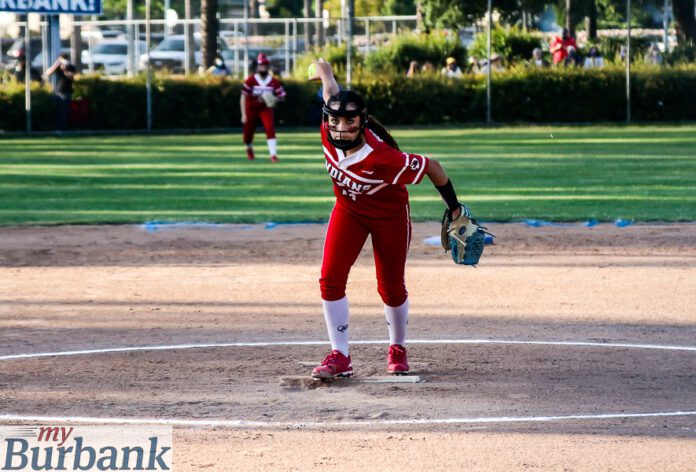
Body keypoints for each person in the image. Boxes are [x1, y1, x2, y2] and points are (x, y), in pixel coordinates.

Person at [307, 58, 472, 380]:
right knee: (330, 279)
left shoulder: (383, 158)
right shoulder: (328, 130)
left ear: (362, 121)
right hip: (349, 211)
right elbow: (330, 91)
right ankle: (340, 355)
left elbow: (433, 167)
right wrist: (324, 71)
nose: (340, 127)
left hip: (389, 217)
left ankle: (397, 348)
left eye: (350, 121)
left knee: (391, 287)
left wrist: (455, 209)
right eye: (334, 120)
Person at [240, 53, 286, 162]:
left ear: (268, 67)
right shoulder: (251, 80)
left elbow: (282, 97)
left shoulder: (273, 81)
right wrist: (243, 114)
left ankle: (273, 155)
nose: (263, 68)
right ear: (257, 66)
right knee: (247, 134)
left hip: (265, 109)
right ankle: (249, 148)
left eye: (265, 65)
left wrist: (273, 98)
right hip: (251, 109)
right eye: (261, 65)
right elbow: (243, 97)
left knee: (270, 128)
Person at [46, 53, 76, 131]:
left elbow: (71, 77)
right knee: (55, 110)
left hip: (66, 92)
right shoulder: (58, 67)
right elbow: (48, 73)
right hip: (57, 92)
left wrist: (65, 69)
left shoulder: (71, 67)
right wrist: (56, 64)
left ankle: (61, 129)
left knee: (63, 111)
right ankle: (54, 128)